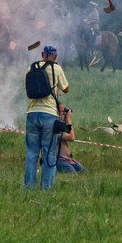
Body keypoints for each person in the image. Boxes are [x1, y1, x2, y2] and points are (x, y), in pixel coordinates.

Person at [25, 45, 69, 189]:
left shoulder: (32, 68)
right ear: (55, 56)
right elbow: (66, 89)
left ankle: (28, 188)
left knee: (32, 153)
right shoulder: (57, 68)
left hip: (31, 113)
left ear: (43, 54)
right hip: (49, 114)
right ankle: (46, 188)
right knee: (49, 152)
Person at [55, 105, 84, 173]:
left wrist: (67, 121)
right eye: (62, 112)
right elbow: (71, 137)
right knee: (74, 176)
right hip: (59, 160)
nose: (64, 114)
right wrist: (69, 120)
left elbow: (68, 131)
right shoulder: (54, 127)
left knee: (84, 173)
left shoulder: (61, 125)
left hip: (69, 159)